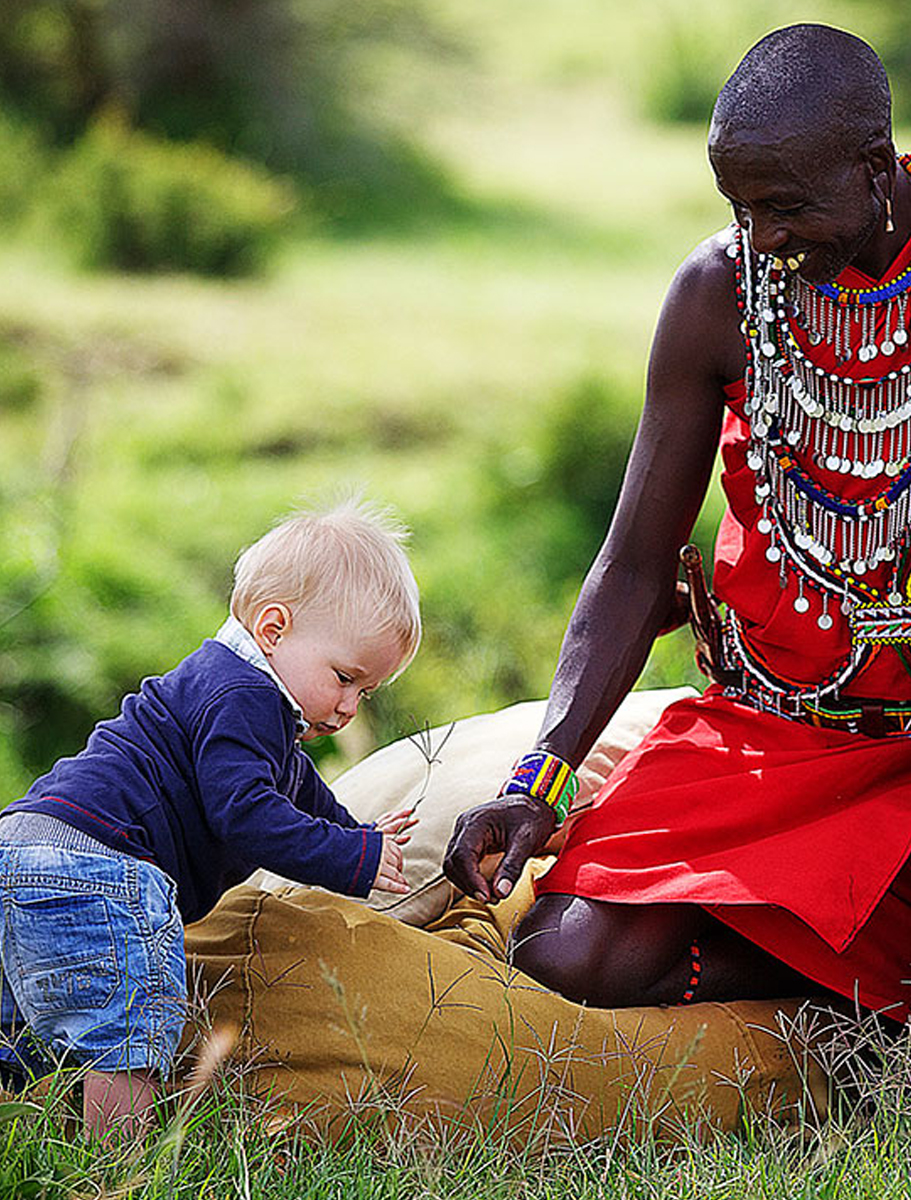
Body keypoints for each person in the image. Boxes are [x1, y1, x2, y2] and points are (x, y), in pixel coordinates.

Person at [444, 23, 911, 1023]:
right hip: (767, 737)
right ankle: (844, 984)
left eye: (785, 206)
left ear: (874, 168)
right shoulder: (716, 294)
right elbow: (630, 564)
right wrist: (541, 774)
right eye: (739, 209)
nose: (762, 238)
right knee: (570, 957)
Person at [0, 497, 421, 1137]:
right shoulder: (245, 698)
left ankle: (28, 1146)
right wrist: (352, 860)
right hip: (95, 867)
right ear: (273, 629)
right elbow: (247, 815)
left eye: (365, 692)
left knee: (20, 1040)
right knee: (126, 1038)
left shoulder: (230, 689)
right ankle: (122, 1168)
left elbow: (294, 787)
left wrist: (353, 835)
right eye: (344, 677)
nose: (348, 708)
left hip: (25, 849)